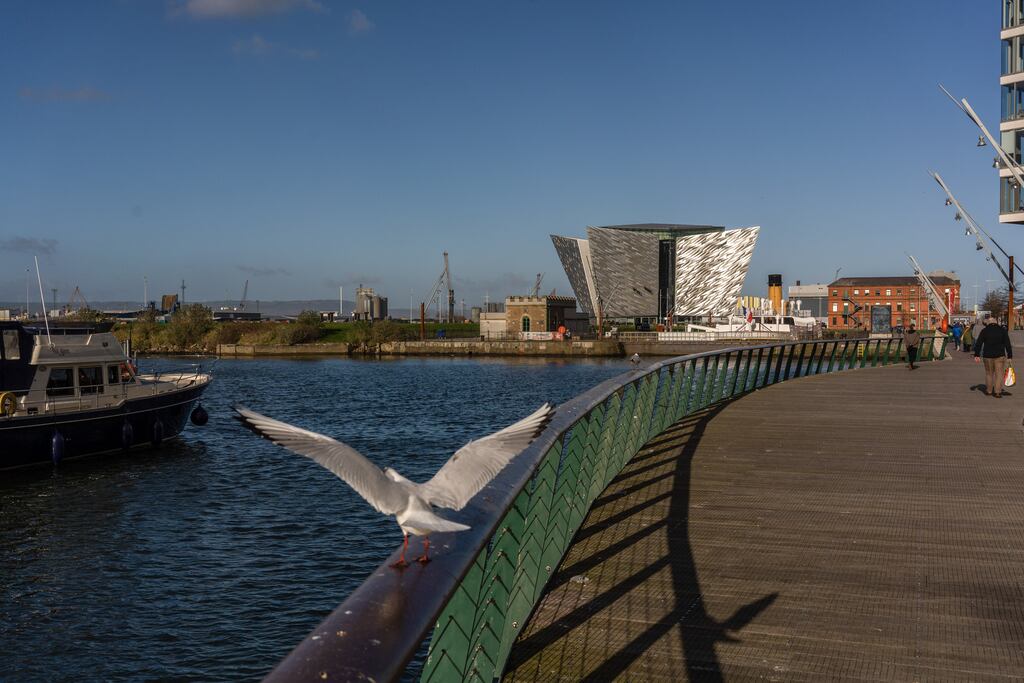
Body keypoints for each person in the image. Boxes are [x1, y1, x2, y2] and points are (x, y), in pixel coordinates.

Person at [973, 315, 1013, 397]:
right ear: (996, 322)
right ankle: (998, 392)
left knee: (989, 374)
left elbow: (979, 343)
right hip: (1000, 355)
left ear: (988, 323)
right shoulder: (1002, 330)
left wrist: (977, 354)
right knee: (999, 374)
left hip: (987, 356)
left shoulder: (984, 331)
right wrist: (1010, 356)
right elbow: (1007, 344)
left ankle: (989, 391)